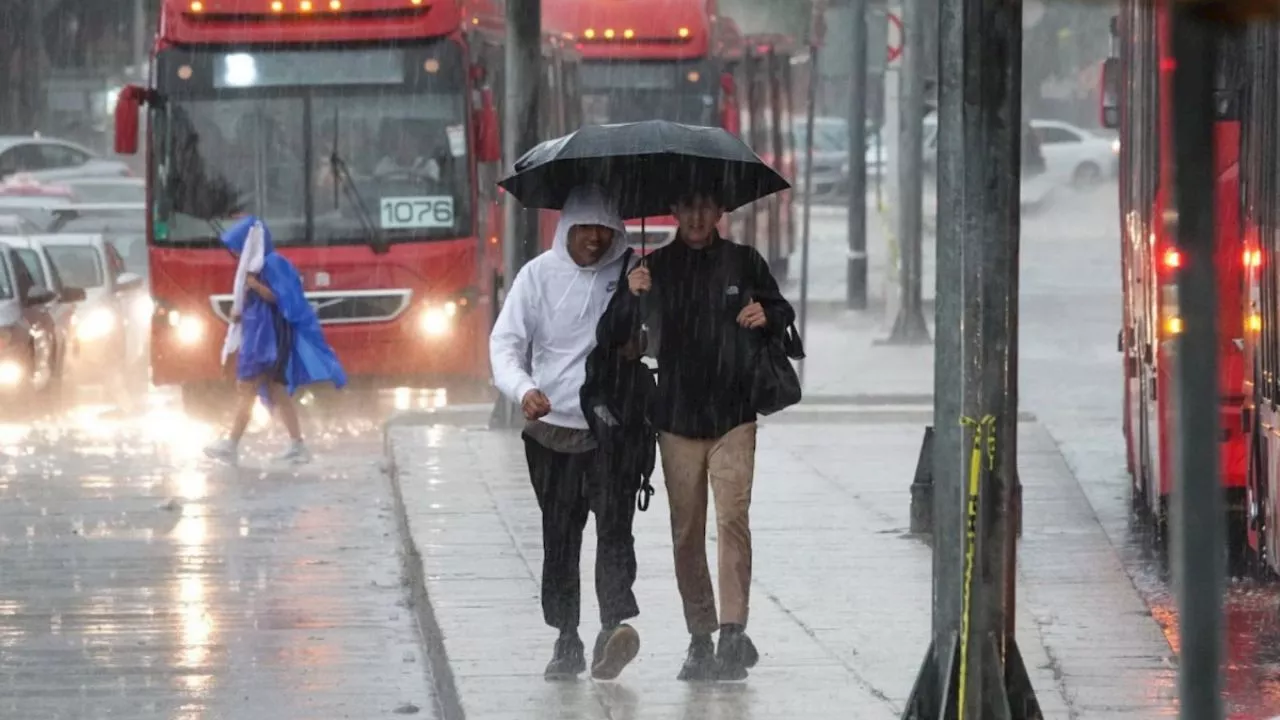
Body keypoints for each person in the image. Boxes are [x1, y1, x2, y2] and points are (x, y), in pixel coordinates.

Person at [618, 190, 795, 681]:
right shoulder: (654, 269)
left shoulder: (745, 262)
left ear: (721, 213)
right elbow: (627, 340)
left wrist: (769, 315)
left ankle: (733, 633)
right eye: (686, 206)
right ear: (673, 211)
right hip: (675, 420)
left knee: (733, 519)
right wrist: (632, 296)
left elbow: (783, 313)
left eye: (706, 206)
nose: (696, 216)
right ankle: (700, 637)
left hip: (734, 416)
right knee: (685, 533)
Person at [489, 185, 643, 681]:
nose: (596, 239)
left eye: (606, 229)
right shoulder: (536, 277)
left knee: (615, 531)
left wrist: (641, 318)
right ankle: (566, 638)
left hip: (612, 432)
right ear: (566, 229)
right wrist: (523, 389)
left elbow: (656, 339)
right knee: (560, 538)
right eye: (585, 228)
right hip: (552, 434)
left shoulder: (631, 276)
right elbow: (505, 344)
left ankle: (612, 628)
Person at [204, 216, 348, 465]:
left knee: (249, 388)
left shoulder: (272, 264)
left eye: (239, 248)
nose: (237, 255)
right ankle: (296, 444)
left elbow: (281, 298)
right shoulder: (257, 267)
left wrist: (254, 285)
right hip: (261, 337)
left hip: (270, 339)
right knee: (276, 390)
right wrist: (240, 314)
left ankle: (232, 443)